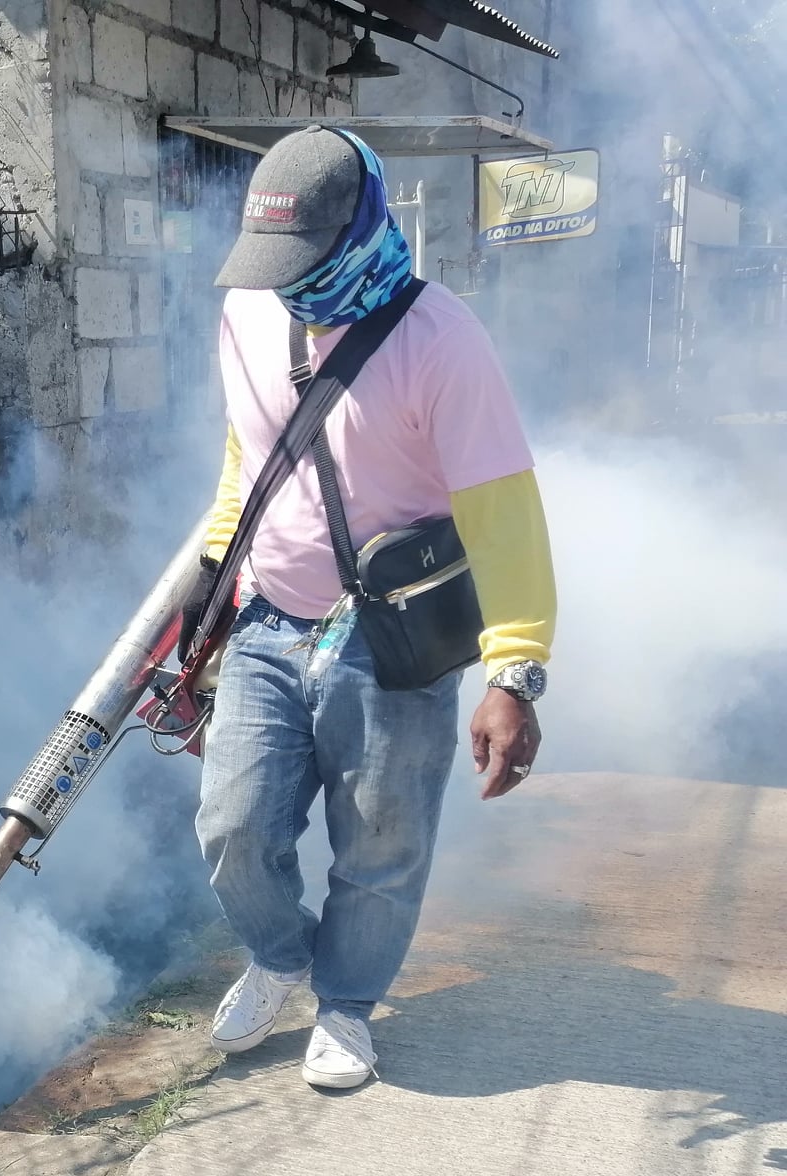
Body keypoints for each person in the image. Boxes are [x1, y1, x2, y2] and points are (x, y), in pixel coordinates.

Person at [193, 125, 556, 1089]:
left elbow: (504, 511)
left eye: (303, 263)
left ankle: (347, 1004)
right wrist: (209, 592)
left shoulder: (442, 340)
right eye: (270, 265)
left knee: (381, 843)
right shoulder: (243, 313)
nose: (286, 286)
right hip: (269, 620)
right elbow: (249, 459)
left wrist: (514, 671)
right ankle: (280, 958)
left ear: (359, 230)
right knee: (232, 827)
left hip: (391, 635)